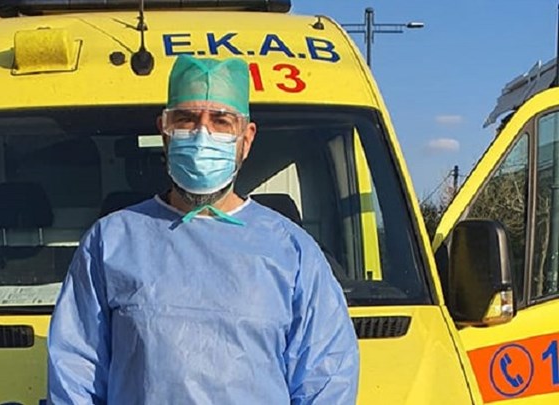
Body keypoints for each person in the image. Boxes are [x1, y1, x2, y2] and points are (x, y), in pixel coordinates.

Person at [47, 55, 359, 404]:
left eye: (221, 121)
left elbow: (325, 382)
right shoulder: (110, 241)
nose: (201, 134)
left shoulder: (293, 252)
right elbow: (76, 374)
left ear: (246, 138)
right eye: (186, 119)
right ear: (164, 132)